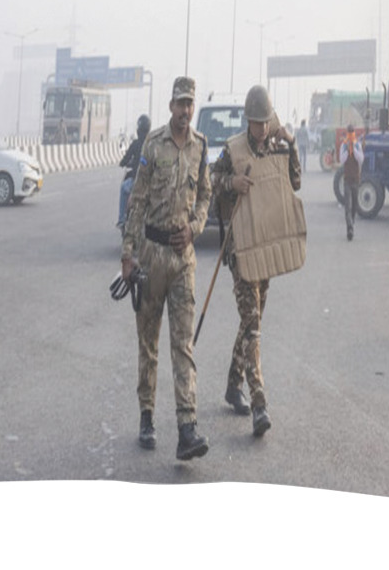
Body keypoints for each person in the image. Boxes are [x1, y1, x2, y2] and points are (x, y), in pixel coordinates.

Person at [121, 77, 212, 460]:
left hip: (182, 260)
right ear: (170, 106)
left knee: (183, 345)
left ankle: (187, 428)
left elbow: (205, 195)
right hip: (151, 256)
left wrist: (194, 228)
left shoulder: (200, 148)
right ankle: (146, 416)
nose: (185, 111)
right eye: (180, 104)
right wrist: (128, 253)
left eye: (190, 104)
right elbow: (137, 200)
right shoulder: (153, 145)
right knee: (149, 343)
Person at [211, 85, 301, 436]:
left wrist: (290, 143)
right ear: (247, 121)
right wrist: (232, 182)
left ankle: (234, 384)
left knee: (253, 319)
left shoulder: (278, 146)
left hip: (268, 246)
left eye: (266, 123)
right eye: (256, 123)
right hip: (242, 248)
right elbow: (210, 181)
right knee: (253, 326)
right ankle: (259, 403)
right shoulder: (232, 150)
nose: (261, 129)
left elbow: (295, 181)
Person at [117, 114, 151, 230]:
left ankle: (121, 218)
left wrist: (123, 163)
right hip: (150, 183)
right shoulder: (152, 144)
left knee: (123, 188)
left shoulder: (135, 144)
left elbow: (125, 159)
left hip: (136, 182)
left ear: (138, 129)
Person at [339, 123, 364, 241]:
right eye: (349, 132)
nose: (350, 134)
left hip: (356, 179)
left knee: (355, 204)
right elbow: (342, 159)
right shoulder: (343, 145)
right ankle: (349, 227)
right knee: (347, 206)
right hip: (347, 180)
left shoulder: (358, 145)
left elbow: (361, 159)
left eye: (352, 132)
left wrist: (353, 148)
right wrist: (347, 149)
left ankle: (352, 221)